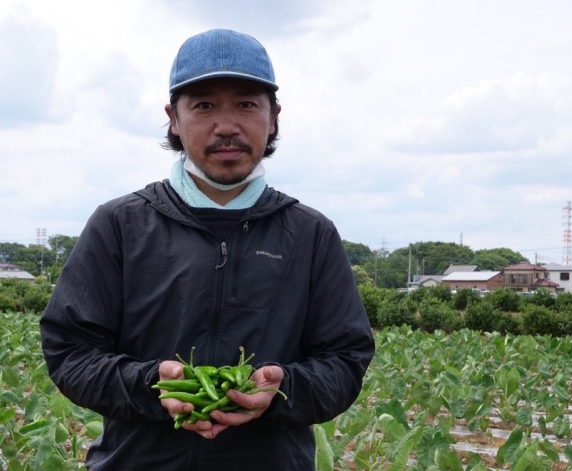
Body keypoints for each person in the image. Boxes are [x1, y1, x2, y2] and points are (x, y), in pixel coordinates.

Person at [40, 29, 375, 470]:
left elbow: (346, 359)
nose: (226, 125)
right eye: (203, 105)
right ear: (174, 119)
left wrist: (281, 388)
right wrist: (153, 386)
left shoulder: (310, 234)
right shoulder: (120, 225)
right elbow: (70, 351)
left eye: (246, 104)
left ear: (273, 117)